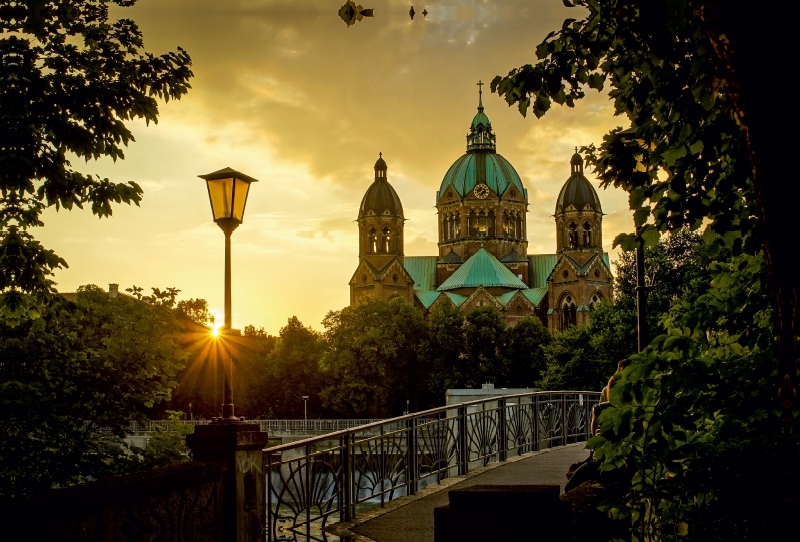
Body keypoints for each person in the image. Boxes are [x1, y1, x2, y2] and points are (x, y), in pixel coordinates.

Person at [564, 359, 631, 492]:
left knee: (569, 488)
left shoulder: (599, 408)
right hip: (623, 462)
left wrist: (588, 458)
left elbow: (596, 439)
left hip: (600, 462)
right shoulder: (633, 411)